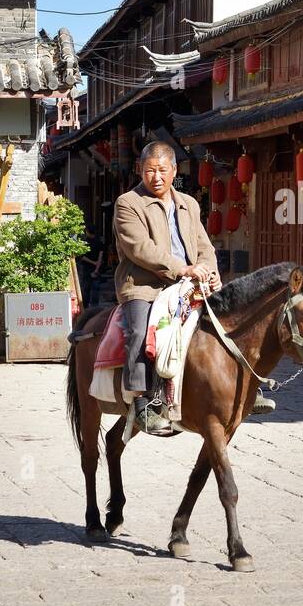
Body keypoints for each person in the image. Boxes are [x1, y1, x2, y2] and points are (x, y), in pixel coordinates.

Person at [113, 142, 220, 436]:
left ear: (174, 170)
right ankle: (141, 401)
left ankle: (243, 386)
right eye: (150, 170)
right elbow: (140, 249)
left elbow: (203, 247)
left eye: (162, 170)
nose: (156, 177)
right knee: (139, 330)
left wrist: (209, 272)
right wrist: (182, 269)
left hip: (188, 285)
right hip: (144, 285)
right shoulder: (128, 203)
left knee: (228, 318)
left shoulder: (189, 204)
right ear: (141, 170)